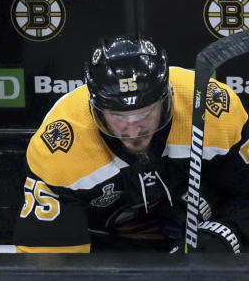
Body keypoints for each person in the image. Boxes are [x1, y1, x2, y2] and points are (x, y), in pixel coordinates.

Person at [15, 35, 249, 252]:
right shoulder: (61, 148)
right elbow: (48, 257)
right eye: (119, 117)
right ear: (97, 109)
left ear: (166, 99)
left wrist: (224, 235)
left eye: (145, 114)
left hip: (195, 234)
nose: (134, 130)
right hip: (102, 250)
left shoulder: (215, 110)